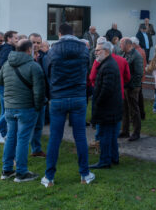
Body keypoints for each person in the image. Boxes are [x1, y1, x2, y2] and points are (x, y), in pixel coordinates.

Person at [42, 23, 94, 187]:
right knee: (80, 136)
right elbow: (87, 69)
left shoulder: (52, 50)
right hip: (78, 97)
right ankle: (84, 174)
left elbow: (48, 72)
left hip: (58, 97)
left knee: (55, 138)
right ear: (74, 33)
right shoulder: (84, 49)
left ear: (59, 33)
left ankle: (49, 177)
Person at [0, 39, 45, 182]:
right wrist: (38, 107)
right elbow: (39, 91)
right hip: (26, 108)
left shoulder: (7, 64)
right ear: (29, 50)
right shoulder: (33, 66)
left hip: (10, 108)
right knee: (22, 139)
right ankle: (21, 172)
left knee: (11, 138)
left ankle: (7, 170)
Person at [90, 41, 123, 169]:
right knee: (111, 135)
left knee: (105, 135)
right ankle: (114, 157)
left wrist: (98, 101)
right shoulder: (107, 63)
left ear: (107, 52)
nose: (95, 52)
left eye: (98, 50)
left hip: (108, 108)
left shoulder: (108, 65)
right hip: (111, 107)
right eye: (96, 50)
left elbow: (106, 89)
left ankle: (105, 161)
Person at [0, 30, 18, 143]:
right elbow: (4, 67)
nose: (17, 40)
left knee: (5, 110)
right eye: (15, 38)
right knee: (9, 110)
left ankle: (2, 133)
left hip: (0, 83)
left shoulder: (4, 49)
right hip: (4, 85)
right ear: (9, 39)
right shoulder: (8, 50)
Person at [119, 38, 143, 141]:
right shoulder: (124, 54)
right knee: (125, 109)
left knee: (134, 109)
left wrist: (131, 84)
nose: (120, 46)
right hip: (126, 86)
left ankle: (136, 133)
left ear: (127, 45)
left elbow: (138, 73)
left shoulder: (136, 55)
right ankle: (125, 131)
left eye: (121, 44)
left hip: (133, 87)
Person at [28, 33, 48, 157]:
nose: (36, 45)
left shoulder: (45, 57)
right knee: (28, 127)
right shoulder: (24, 57)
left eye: (38, 43)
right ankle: (19, 155)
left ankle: (36, 149)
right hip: (29, 98)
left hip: (42, 97)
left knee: (39, 125)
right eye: (33, 42)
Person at [131, 37, 147, 120]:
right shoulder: (142, 50)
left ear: (134, 44)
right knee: (139, 97)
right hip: (140, 76)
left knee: (136, 98)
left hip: (137, 77)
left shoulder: (137, 52)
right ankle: (141, 114)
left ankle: (138, 116)